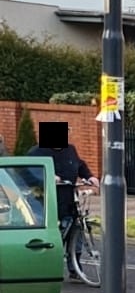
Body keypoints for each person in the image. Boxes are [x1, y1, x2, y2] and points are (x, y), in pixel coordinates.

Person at [28, 121, 97, 283]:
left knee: (76, 229)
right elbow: (28, 172)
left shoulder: (70, 149)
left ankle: (75, 267)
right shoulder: (37, 152)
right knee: (53, 236)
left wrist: (89, 177)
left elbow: (79, 165)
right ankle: (44, 268)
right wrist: (46, 177)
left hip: (68, 198)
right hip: (46, 201)